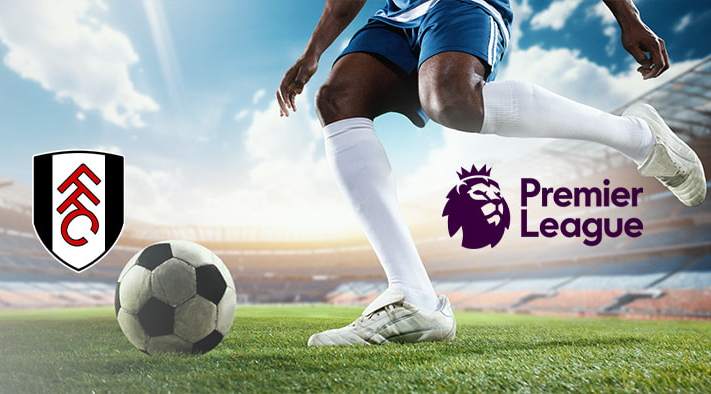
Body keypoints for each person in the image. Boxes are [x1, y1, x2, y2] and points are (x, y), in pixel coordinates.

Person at [276, 0, 706, 346]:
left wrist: (628, 16)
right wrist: (313, 52)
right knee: (337, 99)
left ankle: (638, 136)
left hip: (462, 2)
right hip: (396, 14)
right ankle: (413, 295)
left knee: (450, 97)